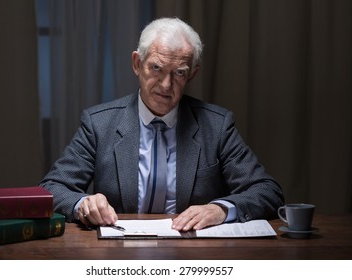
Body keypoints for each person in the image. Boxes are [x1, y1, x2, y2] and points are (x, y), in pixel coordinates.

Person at [40, 17, 284, 231]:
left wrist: (221, 209)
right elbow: (51, 189)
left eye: (179, 72)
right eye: (156, 68)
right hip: (117, 252)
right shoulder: (99, 124)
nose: (166, 85)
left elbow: (268, 191)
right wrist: (83, 204)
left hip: (193, 255)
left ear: (192, 74)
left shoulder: (216, 126)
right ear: (137, 63)